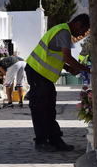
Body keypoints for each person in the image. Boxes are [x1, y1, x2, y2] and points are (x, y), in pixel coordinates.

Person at [25, 14, 91, 152]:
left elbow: (56, 55)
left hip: (43, 76)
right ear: (78, 24)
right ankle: (42, 141)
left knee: (49, 108)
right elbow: (67, 56)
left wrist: (68, 68)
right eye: (83, 30)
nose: (82, 34)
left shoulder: (61, 30)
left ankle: (55, 140)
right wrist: (85, 69)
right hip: (38, 73)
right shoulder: (64, 32)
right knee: (40, 108)